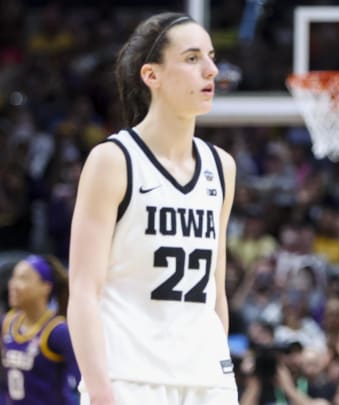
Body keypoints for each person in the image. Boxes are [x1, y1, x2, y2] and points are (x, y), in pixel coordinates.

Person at [66, 12, 237, 405]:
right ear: (152, 75)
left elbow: (217, 291)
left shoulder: (221, 167)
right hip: (130, 377)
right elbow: (83, 291)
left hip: (207, 381)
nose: (211, 70)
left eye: (211, 57)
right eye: (193, 58)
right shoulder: (113, 160)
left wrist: (219, 371)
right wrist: (100, 389)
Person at [1, 254, 80, 404]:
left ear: (46, 287)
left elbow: (81, 382)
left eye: (23, 278)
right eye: (13, 277)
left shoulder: (58, 331)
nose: (13, 284)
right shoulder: (7, 323)